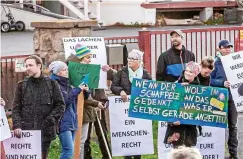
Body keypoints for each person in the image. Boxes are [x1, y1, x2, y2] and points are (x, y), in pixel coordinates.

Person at [12, 55, 66, 159]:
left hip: (45, 132)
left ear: (39, 66)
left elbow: (60, 105)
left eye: (30, 65)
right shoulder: (22, 85)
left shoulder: (51, 84)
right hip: (26, 132)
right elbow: (16, 108)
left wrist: (50, 120)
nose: (28, 68)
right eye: (26, 65)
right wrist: (17, 125)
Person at [66, 44, 106, 159]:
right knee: (75, 142)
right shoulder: (71, 73)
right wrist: (94, 103)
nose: (89, 61)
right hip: (74, 112)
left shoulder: (87, 73)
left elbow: (86, 96)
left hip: (85, 113)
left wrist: (88, 93)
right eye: (87, 58)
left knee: (82, 141)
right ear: (80, 59)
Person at [111, 49, 152, 159]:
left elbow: (151, 89)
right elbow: (113, 86)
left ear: (139, 61)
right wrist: (120, 91)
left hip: (138, 108)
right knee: (127, 134)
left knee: (137, 133)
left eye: (133, 58)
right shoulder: (122, 72)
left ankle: (138, 155)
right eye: (129, 58)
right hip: (124, 108)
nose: (129, 60)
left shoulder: (145, 74)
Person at [48, 61, 90, 159]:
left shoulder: (67, 83)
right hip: (62, 121)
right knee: (68, 150)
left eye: (67, 69)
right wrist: (77, 90)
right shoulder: (54, 84)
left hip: (71, 120)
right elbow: (64, 101)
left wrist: (86, 90)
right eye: (63, 70)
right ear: (57, 72)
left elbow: (80, 98)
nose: (66, 71)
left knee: (69, 150)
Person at [210, 40, 238, 159]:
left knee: (233, 126)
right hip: (219, 99)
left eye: (229, 47)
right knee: (218, 126)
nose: (227, 49)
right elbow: (208, 80)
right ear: (219, 49)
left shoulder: (236, 62)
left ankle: (233, 154)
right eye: (225, 47)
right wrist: (222, 83)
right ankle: (217, 153)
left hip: (233, 99)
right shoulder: (214, 63)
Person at [164, 61, 201, 148]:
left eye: (191, 72)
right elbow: (168, 105)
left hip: (189, 129)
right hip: (176, 129)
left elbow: (200, 109)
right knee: (177, 154)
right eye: (186, 70)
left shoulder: (200, 89)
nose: (187, 73)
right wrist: (172, 121)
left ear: (196, 74)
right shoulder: (176, 85)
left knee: (187, 154)